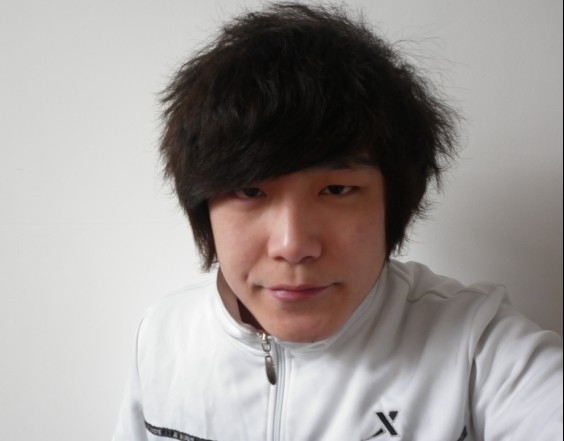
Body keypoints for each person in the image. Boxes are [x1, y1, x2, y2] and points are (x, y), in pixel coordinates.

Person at [113, 3, 563, 440]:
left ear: (393, 203)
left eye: (336, 190)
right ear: (203, 206)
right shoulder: (162, 336)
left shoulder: (476, 346)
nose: (293, 245)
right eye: (250, 191)